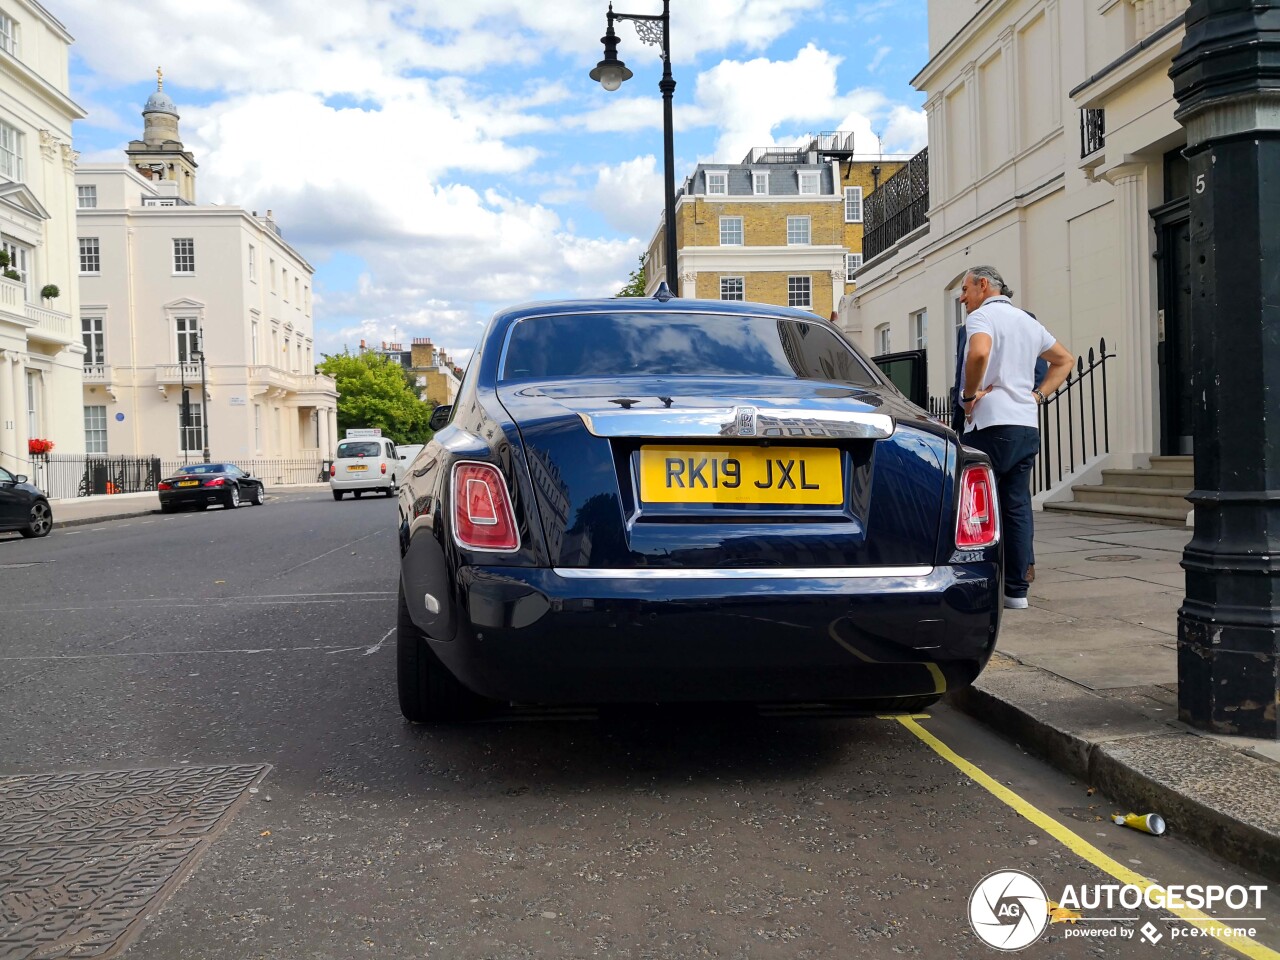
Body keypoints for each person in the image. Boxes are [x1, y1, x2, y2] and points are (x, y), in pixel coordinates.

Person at [957, 265, 1074, 609]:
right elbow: (1064, 360)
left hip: (990, 424)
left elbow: (978, 353)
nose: (963, 297)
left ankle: (978, 584)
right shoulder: (1027, 321)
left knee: (977, 506)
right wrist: (1037, 396)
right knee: (1017, 506)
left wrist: (968, 395)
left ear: (983, 285)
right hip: (1025, 425)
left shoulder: (981, 318)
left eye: (965, 289)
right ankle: (1017, 592)